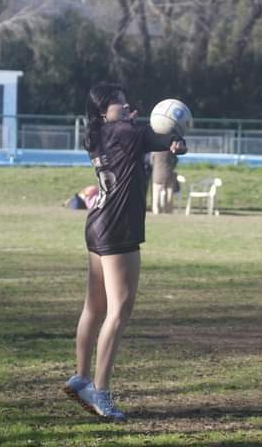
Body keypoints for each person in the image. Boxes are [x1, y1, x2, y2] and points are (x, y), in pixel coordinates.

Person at [63, 83, 187, 421]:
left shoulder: (98, 132)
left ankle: (81, 376)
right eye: (116, 101)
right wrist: (176, 137)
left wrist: (170, 141)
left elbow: (157, 140)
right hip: (118, 228)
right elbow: (163, 137)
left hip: (98, 223)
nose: (124, 103)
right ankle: (100, 392)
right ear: (103, 110)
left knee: (95, 307)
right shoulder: (125, 130)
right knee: (119, 310)